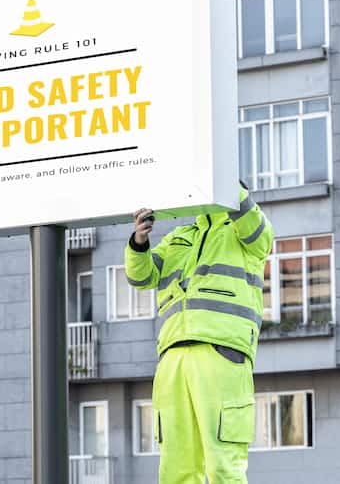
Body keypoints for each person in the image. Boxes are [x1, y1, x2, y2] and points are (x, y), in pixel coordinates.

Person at [125, 182, 273, 483]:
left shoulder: (245, 230)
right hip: (173, 356)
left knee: (223, 465)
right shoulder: (179, 237)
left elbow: (257, 231)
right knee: (176, 469)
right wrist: (138, 242)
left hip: (221, 351)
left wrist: (228, 180)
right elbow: (141, 277)